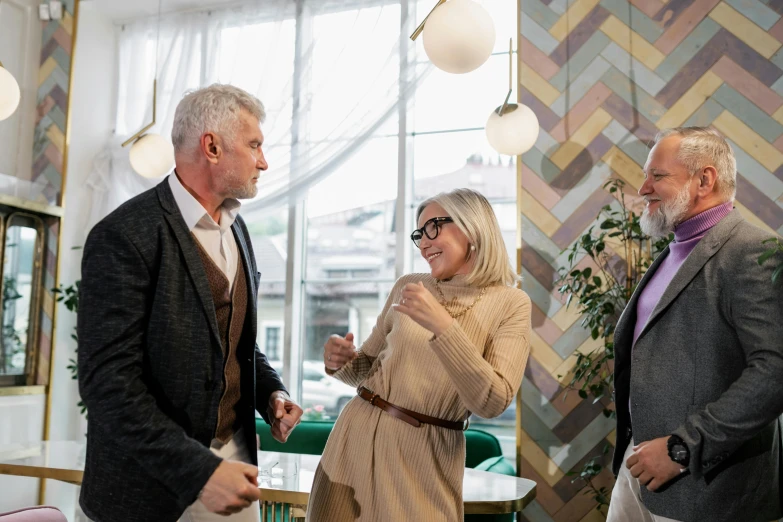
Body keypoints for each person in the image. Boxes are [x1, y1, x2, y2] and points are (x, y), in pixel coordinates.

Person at [77, 84, 303, 522]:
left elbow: (237, 341)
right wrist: (200, 471)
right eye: (255, 145)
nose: (264, 161)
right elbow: (108, 383)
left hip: (235, 476)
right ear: (212, 146)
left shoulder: (240, 231)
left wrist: (271, 393)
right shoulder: (123, 235)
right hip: (143, 493)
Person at [306, 188, 531, 521]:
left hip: (425, 458)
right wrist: (340, 362)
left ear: (472, 228)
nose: (424, 243)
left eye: (433, 227)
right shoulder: (408, 284)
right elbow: (367, 370)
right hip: (352, 439)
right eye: (419, 233)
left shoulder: (512, 303)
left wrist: (444, 327)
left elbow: (492, 401)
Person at [607, 127, 783, 522]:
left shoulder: (752, 251)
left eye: (657, 175)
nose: (643, 187)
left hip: (708, 488)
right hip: (640, 469)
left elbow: (775, 371)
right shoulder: (674, 252)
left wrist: (680, 449)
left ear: (704, 179)